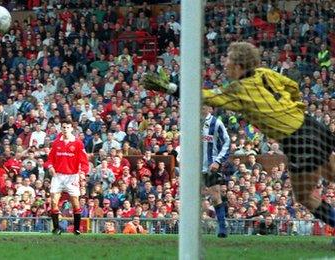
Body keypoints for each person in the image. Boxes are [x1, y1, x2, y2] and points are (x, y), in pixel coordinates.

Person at [142, 41, 335, 228]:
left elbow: (206, 96)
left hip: (297, 141)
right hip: (312, 125)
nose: (224, 63)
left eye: (228, 59)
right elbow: (292, 86)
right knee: (330, 174)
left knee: (304, 196)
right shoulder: (264, 73)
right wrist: (291, 107)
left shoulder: (238, 89)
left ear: (238, 66)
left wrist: (170, 88)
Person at [43, 119, 89, 235]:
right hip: (58, 176)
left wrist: (82, 173)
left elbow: (84, 162)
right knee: (53, 201)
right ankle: (56, 228)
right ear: (61, 128)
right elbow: (49, 160)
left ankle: (76, 229)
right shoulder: (56, 143)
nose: (65, 129)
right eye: (63, 127)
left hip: (72, 176)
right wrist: (50, 167)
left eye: (67, 127)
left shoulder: (78, 143)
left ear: (71, 129)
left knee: (75, 203)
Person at [201, 105, 230, 237]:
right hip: (194, 167)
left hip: (210, 165)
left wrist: (218, 161)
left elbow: (227, 141)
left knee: (216, 195)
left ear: (210, 109)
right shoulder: (191, 122)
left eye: (204, 105)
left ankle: (222, 228)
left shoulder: (216, 123)